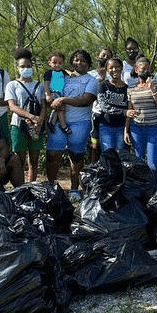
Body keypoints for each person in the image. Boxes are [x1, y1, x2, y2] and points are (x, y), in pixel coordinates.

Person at [45, 49, 98, 200]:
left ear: (88, 64)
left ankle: (74, 189)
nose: (78, 63)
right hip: (58, 120)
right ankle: (51, 187)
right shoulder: (63, 76)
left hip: (80, 122)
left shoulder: (91, 80)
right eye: (76, 60)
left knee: (76, 155)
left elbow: (86, 100)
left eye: (82, 61)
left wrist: (63, 100)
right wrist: (53, 100)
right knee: (53, 154)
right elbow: (53, 93)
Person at [5, 48, 47, 182]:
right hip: (18, 126)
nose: (26, 68)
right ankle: (20, 185)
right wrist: (31, 117)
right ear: (17, 67)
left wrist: (40, 121)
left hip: (36, 127)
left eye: (28, 66)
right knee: (20, 159)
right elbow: (12, 106)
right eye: (22, 66)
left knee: (34, 159)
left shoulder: (39, 85)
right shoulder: (12, 85)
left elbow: (44, 105)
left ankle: (32, 184)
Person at [125, 56, 157, 189]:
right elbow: (130, 110)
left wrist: (152, 89)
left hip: (152, 127)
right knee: (139, 161)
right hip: (136, 128)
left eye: (148, 69)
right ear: (136, 70)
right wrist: (126, 129)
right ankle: (141, 190)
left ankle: (155, 191)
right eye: (143, 69)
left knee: (152, 163)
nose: (146, 71)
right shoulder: (131, 88)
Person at [96, 57, 129, 152]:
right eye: (111, 68)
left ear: (122, 68)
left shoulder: (127, 88)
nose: (114, 70)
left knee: (120, 155)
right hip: (106, 126)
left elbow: (130, 108)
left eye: (117, 67)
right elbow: (103, 106)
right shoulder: (103, 86)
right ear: (107, 69)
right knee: (108, 155)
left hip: (121, 127)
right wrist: (123, 112)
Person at [88, 47, 114, 164]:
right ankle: (93, 171)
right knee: (94, 147)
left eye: (108, 57)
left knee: (108, 147)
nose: (105, 58)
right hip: (94, 113)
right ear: (97, 56)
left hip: (110, 115)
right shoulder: (90, 74)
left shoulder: (114, 74)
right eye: (103, 55)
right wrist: (102, 78)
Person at [44, 51, 71, 134]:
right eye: (54, 62)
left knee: (58, 109)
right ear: (49, 63)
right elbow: (46, 84)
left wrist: (68, 71)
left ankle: (52, 122)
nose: (57, 65)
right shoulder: (49, 73)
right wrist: (47, 94)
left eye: (60, 63)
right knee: (60, 108)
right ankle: (63, 125)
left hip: (61, 93)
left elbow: (71, 74)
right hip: (53, 92)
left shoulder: (63, 72)